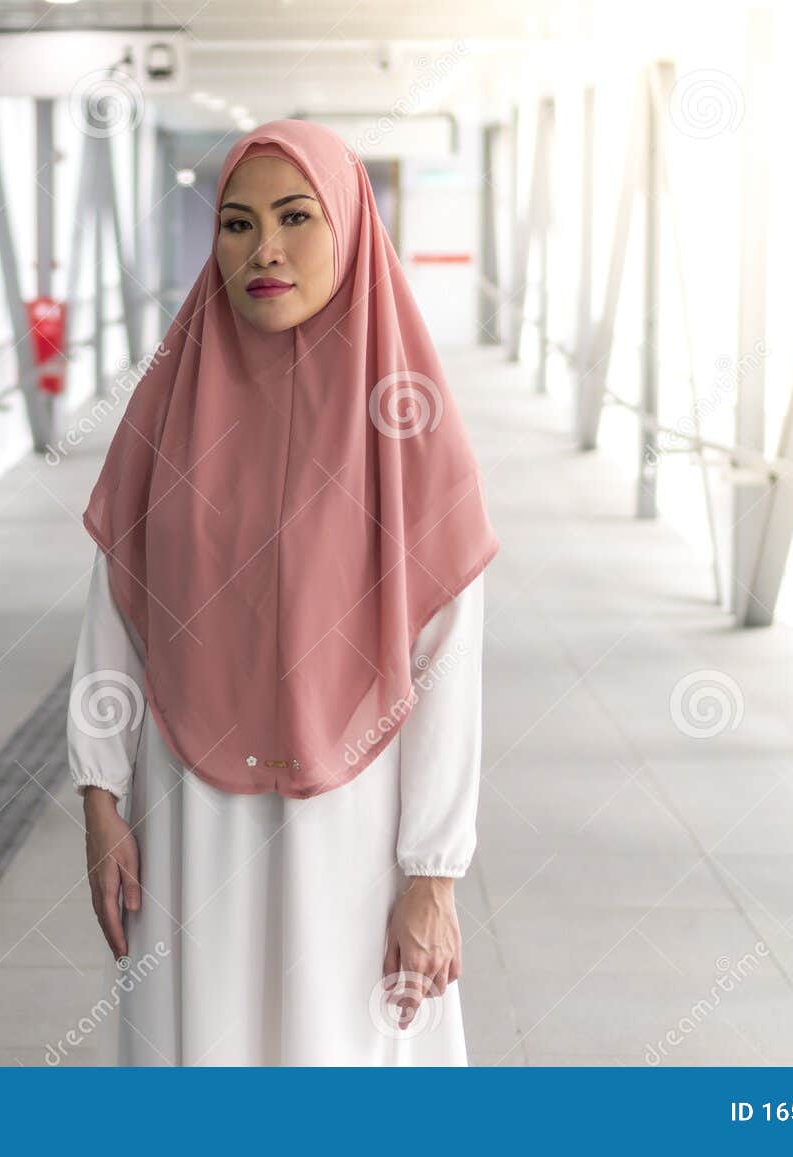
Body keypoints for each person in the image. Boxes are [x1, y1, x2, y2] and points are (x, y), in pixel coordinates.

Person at [66, 118, 500, 1066]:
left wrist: (433, 873)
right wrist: (100, 798)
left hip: (350, 829)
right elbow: (117, 618)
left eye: (297, 217)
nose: (265, 249)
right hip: (187, 821)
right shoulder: (169, 406)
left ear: (349, 227)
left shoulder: (409, 425)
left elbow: (446, 659)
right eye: (237, 223)